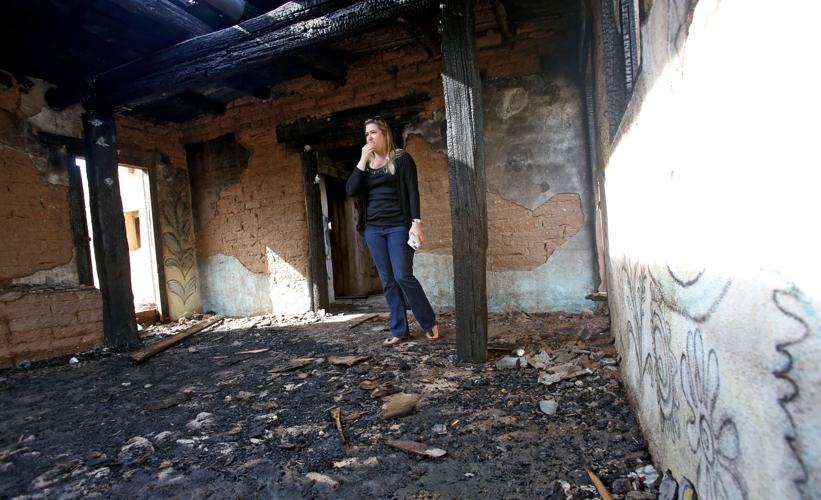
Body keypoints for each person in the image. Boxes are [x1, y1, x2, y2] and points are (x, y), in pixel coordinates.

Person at [346, 118, 440, 345]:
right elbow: (351, 190)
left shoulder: (401, 158)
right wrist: (361, 160)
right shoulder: (366, 166)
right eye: (366, 133)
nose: (369, 137)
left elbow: (412, 192)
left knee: (402, 275)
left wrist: (416, 222)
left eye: (373, 132)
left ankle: (428, 322)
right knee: (387, 280)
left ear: (385, 133)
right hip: (373, 230)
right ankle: (400, 330)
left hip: (399, 226)